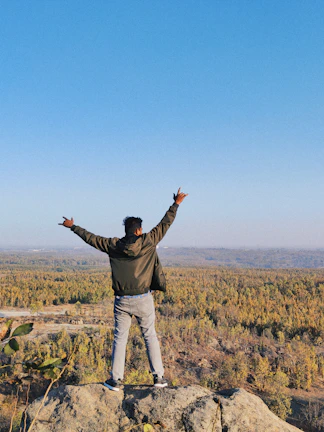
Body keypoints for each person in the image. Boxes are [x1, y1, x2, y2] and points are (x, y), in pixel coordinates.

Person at [59, 188, 188, 391]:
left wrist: (73, 227)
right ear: (138, 230)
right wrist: (176, 204)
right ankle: (159, 378)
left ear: (126, 230)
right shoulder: (148, 241)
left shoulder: (113, 245)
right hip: (143, 298)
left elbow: (91, 238)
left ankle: (116, 380)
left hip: (122, 300)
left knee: (120, 338)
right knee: (150, 336)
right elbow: (165, 223)